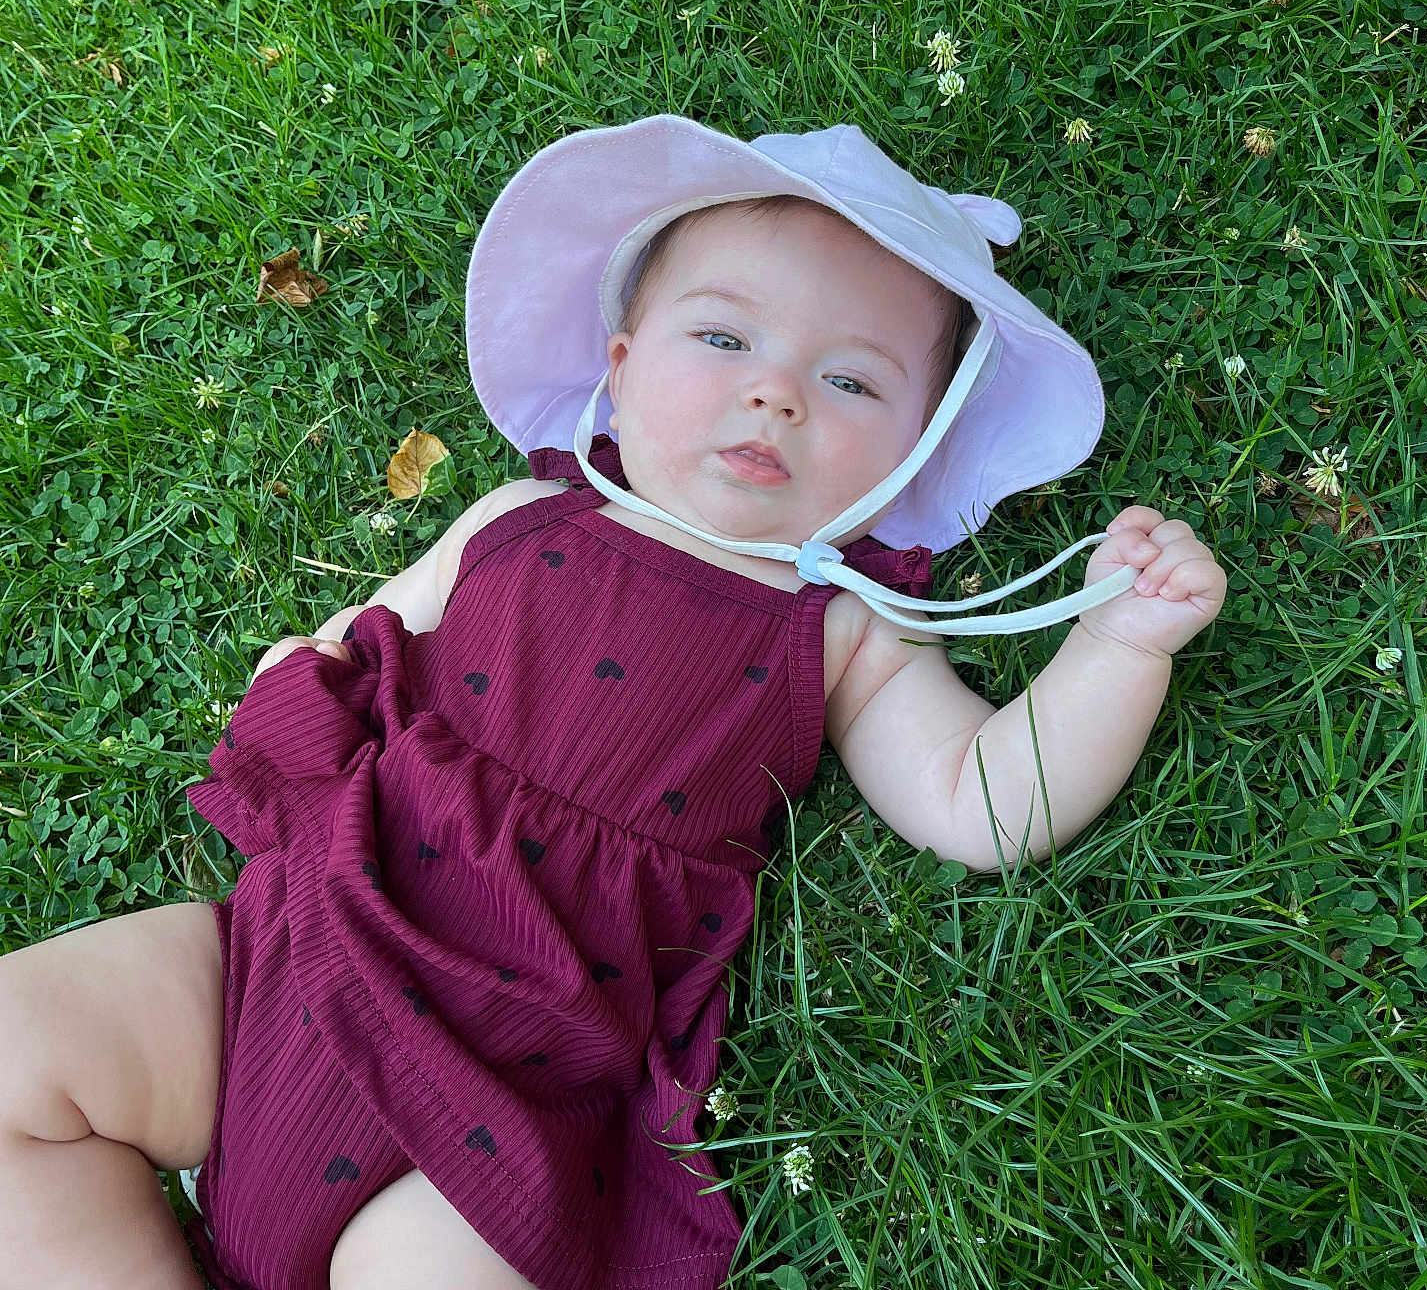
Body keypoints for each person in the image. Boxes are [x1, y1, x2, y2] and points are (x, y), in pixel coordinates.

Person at [0, 116, 1226, 1290]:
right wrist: (297, 669)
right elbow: (352, 642)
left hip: (507, 1085)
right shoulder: (517, 519)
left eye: (853, 382)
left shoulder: (842, 633)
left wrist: (1118, 646)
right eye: (726, 341)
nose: (778, 394)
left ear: (917, 454)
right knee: (21, 1050)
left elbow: (983, 803)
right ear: (621, 372)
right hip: (286, 953)